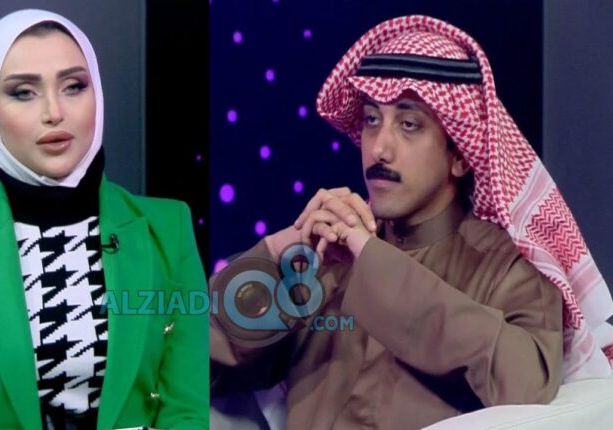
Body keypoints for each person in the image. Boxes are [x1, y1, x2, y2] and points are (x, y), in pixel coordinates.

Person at [210, 15, 613, 429]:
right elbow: (199, 363)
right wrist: (278, 253)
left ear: (460, 156)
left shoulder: (508, 268)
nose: (379, 149)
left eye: (408, 125)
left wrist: (375, 262)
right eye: (371, 120)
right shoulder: (325, 259)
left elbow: (526, 382)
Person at [0, 9, 208, 430]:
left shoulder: (168, 228)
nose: (54, 112)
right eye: (23, 92)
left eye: (74, 86)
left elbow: (186, 413)